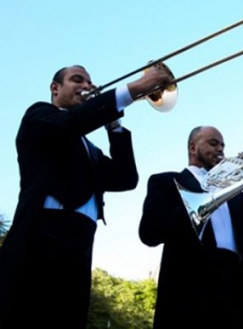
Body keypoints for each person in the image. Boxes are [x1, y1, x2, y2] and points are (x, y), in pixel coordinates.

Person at [0, 64, 170, 328]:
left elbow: (126, 178)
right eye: (77, 80)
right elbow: (69, 125)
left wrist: (114, 126)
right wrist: (132, 89)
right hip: (41, 236)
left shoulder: (90, 150)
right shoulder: (39, 115)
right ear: (55, 89)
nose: (87, 87)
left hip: (80, 243)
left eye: (90, 83)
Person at [139, 126, 243, 329]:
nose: (221, 149)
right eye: (213, 143)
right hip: (190, 292)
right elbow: (149, 233)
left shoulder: (233, 192)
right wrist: (197, 207)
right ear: (193, 148)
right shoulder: (166, 181)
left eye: (223, 145)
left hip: (236, 294)